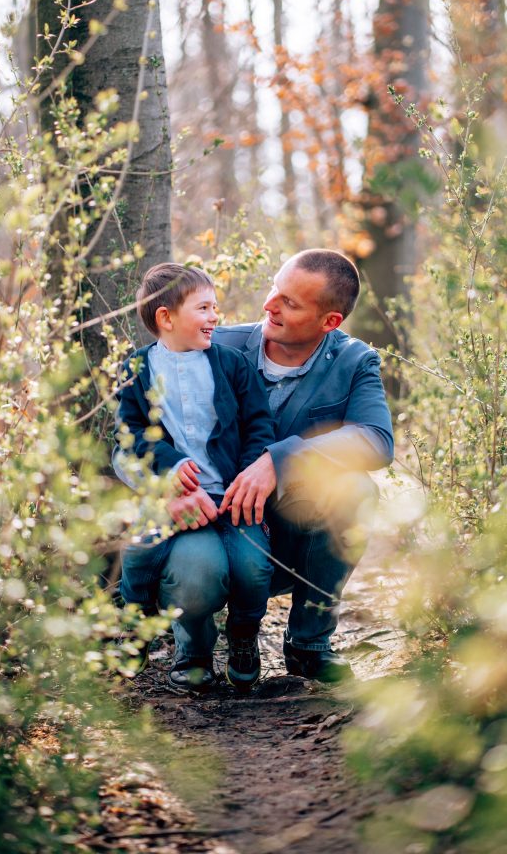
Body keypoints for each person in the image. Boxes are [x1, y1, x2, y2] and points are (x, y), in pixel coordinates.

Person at [115, 249, 394, 685]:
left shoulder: (355, 362)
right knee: (196, 568)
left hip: (291, 538)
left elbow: (376, 440)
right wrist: (163, 487)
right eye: (273, 290)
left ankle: (308, 645)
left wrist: (279, 460)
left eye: (290, 302)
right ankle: (192, 653)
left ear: (330, 322)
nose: (269, 306)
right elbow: (126, 447)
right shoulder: (212, 345)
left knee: (358, 491)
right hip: (209, 518)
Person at [115, 263, 276, 694]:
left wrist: (247, 476)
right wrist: (168, 465)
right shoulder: (137, 369)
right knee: (140, 551)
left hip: (233, 497)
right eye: (203, 307)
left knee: (254, 567)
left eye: (216, 307)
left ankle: (243, 637)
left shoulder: (231, 364)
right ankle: (136, 625)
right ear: (166, 318)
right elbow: (130, 434)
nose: (214, 316)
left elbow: (258, 425)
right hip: (178, 496)